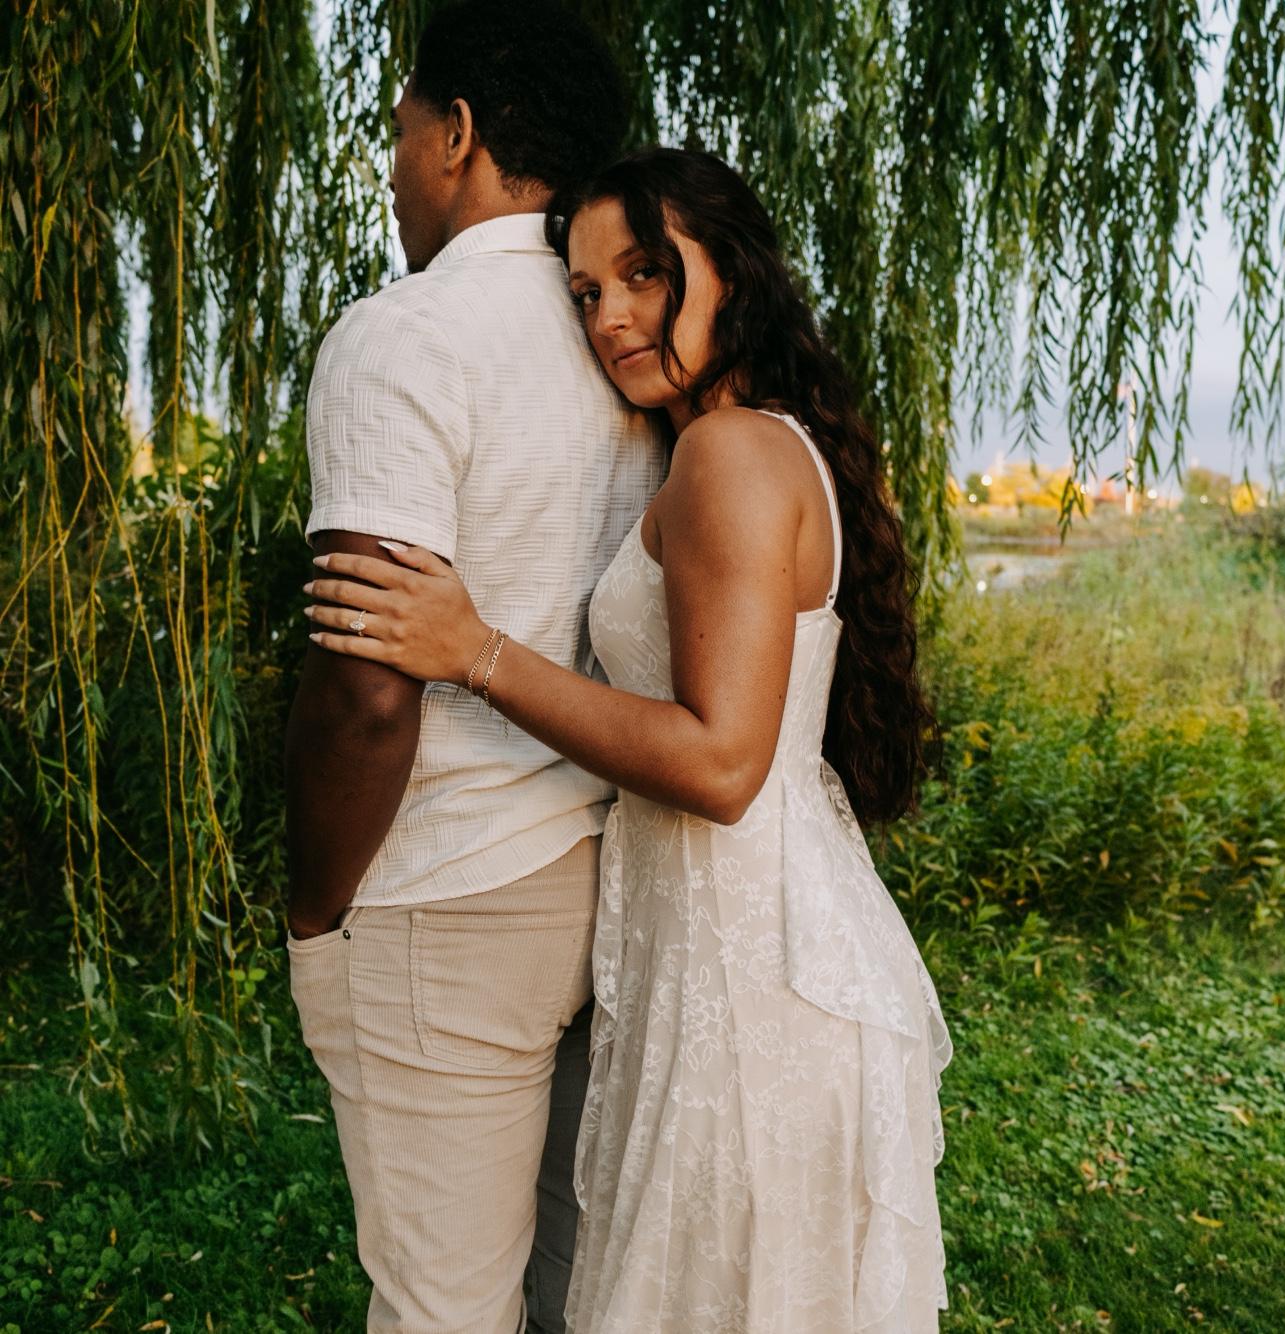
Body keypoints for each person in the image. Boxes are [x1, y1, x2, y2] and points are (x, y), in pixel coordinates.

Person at [304, 148, 953, 1330]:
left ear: (733, 270)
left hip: (747, 982)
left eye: (645, 273)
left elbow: (720, 763)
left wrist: (474, 650)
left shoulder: (728, 454)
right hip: (731, 945)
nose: (609, 318)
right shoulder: (748, 441)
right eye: (586, 290)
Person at [283, 4, 663, 1331]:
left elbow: (366, 684)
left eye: (401, 135)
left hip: (443, 889)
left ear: (454, 133)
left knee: (442, 1306)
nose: (395, 171)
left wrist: (314, 910)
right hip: (617, 876)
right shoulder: (630, 341)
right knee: (572, 1284)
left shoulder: (404, 336)